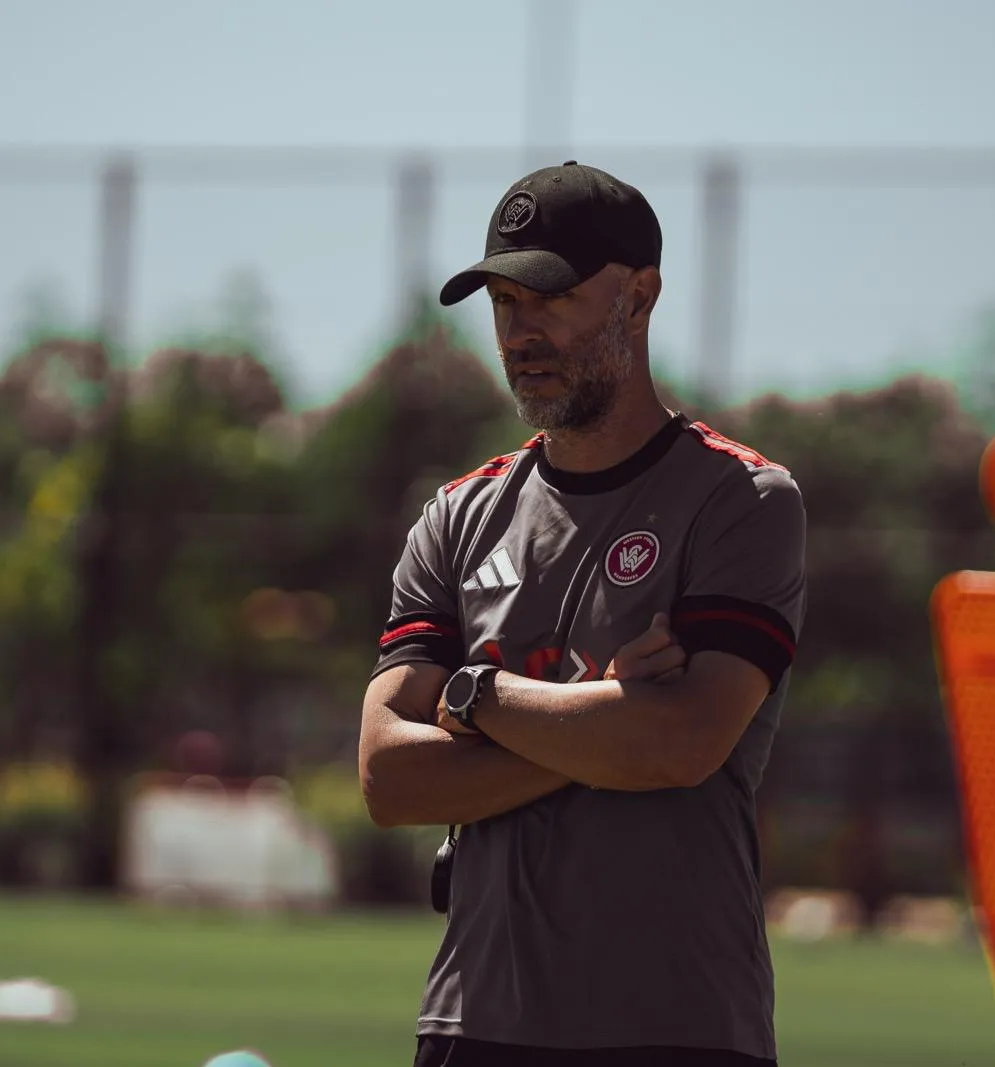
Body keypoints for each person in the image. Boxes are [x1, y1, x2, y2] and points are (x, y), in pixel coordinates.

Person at [358, 161, 806, 1067]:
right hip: (472, 1025)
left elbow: (678, 744)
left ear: (639, 296)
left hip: (677, 1028)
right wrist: (599, 724)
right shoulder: (456, 515)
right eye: (504, 303)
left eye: (552, 299)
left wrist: (477, 698)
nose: (522, 333)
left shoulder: (741, 500)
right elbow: (388, 778)